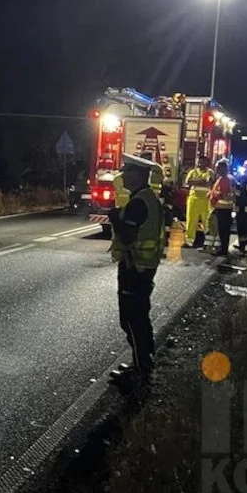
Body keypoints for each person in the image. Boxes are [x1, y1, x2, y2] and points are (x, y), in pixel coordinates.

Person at [109, 153, 165, 387]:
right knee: (140, 316)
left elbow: (129, 234)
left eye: (128, 171)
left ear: (140, 174)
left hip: (135, 267)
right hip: (144, 265)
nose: (124, 176)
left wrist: (115, 220)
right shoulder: (149, 198)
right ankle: (142, 364)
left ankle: (142, 371)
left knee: (131, 320)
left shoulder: (138, 202)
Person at [184, 156, 213, 248]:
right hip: (193, 199)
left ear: (206, 163)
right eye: (199, 162)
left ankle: (208, 243)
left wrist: (196, 181)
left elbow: (209, 182)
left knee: (207, 221)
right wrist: (202, 181)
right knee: (191, 220)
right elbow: (188, 182)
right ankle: (189, 241)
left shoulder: (210, 172)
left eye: (203, 162)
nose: (200, 163)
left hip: (205, 200)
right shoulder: (192, 172)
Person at [208, 160, 235, 256]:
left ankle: (223, 250)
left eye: (217, 167)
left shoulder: (224, 179)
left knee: (223, 230)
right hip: (222, 208)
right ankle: (223, 248)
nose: (216, 169)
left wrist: (213, 195)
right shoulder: (223, 178)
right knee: (223, 230)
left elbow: (223, 194)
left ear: (223, 169)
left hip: (223, 208)